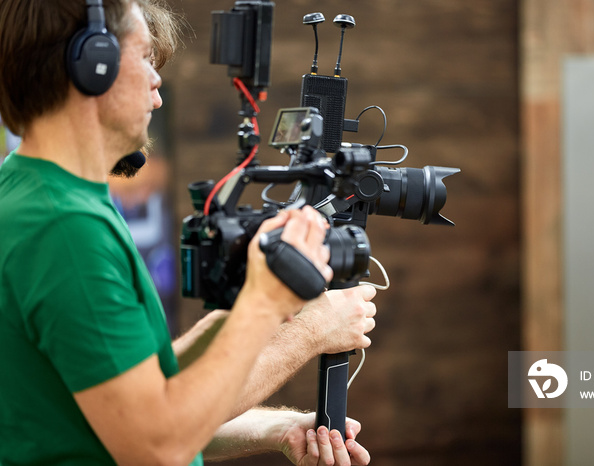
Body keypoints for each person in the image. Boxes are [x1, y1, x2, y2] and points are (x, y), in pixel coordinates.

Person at [0, 1, 377, 465]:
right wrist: (303, 326)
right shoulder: (63, 229)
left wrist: (274, 425)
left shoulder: (36, 192)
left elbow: (142, 395)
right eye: (143, 59)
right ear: (90, 65)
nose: (157, 91)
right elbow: (156, 445)